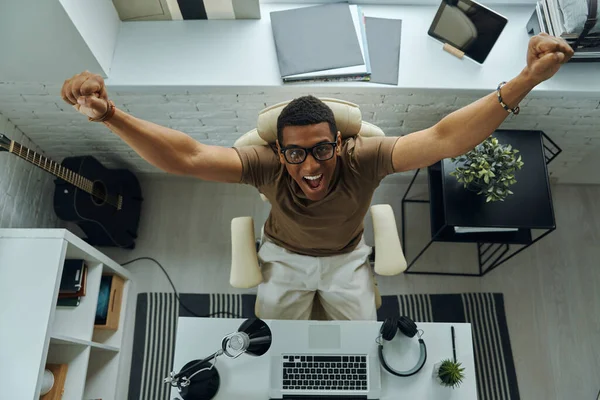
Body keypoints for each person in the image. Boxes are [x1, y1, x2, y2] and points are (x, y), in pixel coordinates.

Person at [61, 33, 573, 320]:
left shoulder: (364, 157)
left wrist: (525, 79)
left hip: (349, 259)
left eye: (322, 148)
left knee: (355, 343)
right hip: (282, 259)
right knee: (279, 341)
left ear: (341, 142)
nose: (310, 166)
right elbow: (189, 157)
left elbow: (442, 139)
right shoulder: (264, 164)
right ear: (278, 152)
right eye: (296, 154)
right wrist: (110, 116)